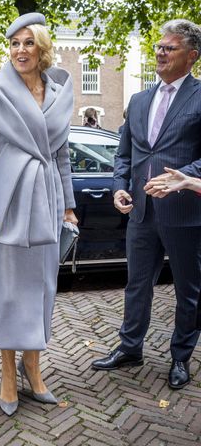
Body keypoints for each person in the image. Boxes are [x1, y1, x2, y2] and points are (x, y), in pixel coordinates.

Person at [0, 12, 78, 416]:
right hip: (6, 202)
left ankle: (33, 370)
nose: (19, 50)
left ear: (42, 48)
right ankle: (6, 375)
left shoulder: (58, 94)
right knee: (9, 290)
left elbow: (62, 155)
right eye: (13, 43)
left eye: (28, 42)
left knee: (43, 289)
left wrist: (68, 205)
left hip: (47, 201)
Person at [91, 19, 201, 390]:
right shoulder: (138, 100)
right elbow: (125, 154)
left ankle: (181, 357)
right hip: (140, 212)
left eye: (169, 48)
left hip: (186, 213)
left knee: (189, 289)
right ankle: (130, 347)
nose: (160, 52)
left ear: (192, 56)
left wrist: (181, 176)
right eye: (158, 46)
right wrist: (119, 187)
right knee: (137, 284)